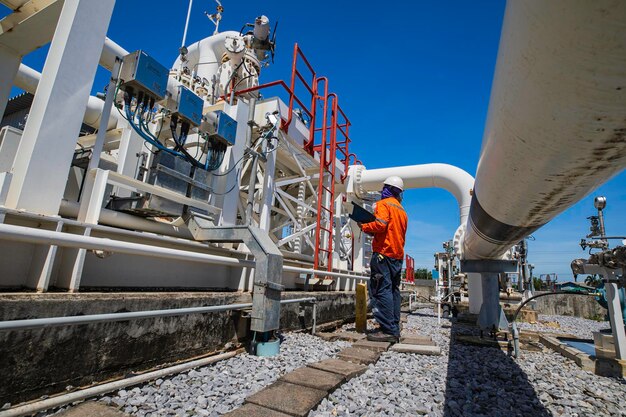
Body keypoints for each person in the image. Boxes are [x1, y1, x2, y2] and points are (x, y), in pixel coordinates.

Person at [358, 176, 408, 343]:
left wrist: (364, 226)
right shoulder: (402, 210)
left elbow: (380, 225)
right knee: (394, 290)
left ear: (386, 189)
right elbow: (390, 231)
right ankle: (393, 324)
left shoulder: (383, 204)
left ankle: (388, 330)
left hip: (383, 254)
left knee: (381, 289)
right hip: (397, 255)